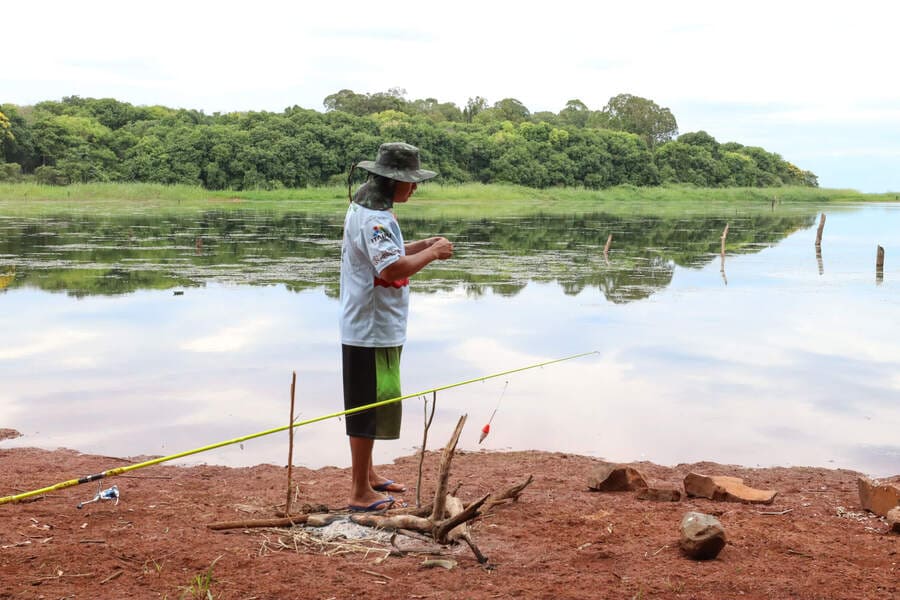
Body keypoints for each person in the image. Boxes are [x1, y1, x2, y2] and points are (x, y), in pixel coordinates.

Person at [339, 142, 453, 511]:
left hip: (375, 325)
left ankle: (368, 474)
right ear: (392, 181)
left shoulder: (371, 210)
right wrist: (433, 253)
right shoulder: (374, 218)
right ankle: (359, 491)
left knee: (374, 399)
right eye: (411, 181)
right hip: (369, 328)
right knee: (365, 406)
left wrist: (421, 244)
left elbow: (389, 251)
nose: (414, 187)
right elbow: (389, 268)